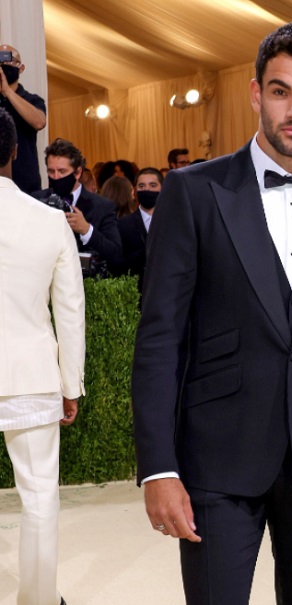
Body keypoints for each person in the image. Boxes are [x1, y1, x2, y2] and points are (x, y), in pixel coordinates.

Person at [131, 22, 292, 605]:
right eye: (280, 91)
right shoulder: (193, 191)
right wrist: (158, 468)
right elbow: (160, 340)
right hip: (216, 462)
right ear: (255, 93)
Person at [0, 107, 85, 605]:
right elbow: (69, 313)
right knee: (38, 498)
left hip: (25, 376)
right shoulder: (51, 222)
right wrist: (70, 386)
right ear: (15, 152)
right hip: (30, 375)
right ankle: (36, 600)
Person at [36, 138, 122, 274]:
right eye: (51, 171)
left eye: (62, 171)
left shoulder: (102, 207)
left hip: (86, 287)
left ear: (77, 173)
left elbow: (115, 253)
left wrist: (87, 230)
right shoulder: (36, 201)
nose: (56, 177)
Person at [0, 44, 46, 194]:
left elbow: (39, 122)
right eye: (1, 59)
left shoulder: (32, 100)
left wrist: (7, 91)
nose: (5, 63)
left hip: (26, 184)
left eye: (10, 59)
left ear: (21, 68)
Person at [109, 167, 163, 292]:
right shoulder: (122, 225)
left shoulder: (175, 223)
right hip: (136, 296)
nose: (147, 190)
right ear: (135, 190)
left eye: (153, 185)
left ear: (163, 189)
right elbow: (115, 263)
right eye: (142, 186)